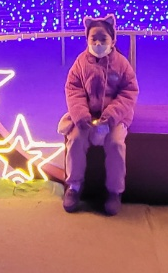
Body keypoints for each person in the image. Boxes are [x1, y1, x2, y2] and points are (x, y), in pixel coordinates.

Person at [58, 14, 139, 215]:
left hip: (115, 118)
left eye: (103, 39)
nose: (98, 43)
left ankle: (114, 191)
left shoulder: (121, 64)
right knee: (75, 140)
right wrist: (80, 114)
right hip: (86, 116)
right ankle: (74, 186)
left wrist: (112, 115)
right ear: (87, 39)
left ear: (112, 39)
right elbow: (73, 89)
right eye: (93, 38)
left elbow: (129, 91)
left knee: (116, 144)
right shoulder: (81, 63)